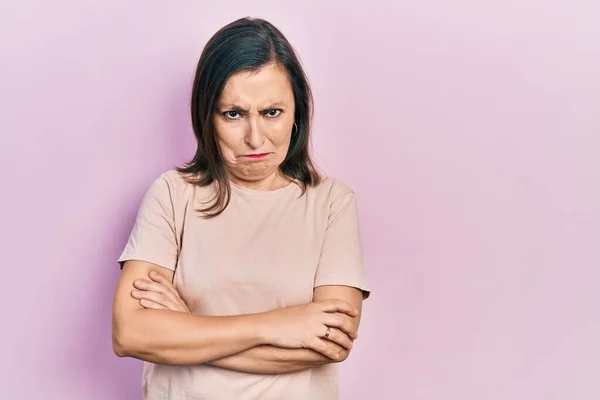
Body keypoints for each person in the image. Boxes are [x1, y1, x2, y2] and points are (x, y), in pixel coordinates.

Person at [111, 16, 370, 400]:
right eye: (233, 114)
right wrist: (277, 325)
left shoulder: (332, 203)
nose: (255, 137)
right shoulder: (172, 194)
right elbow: (130, 334)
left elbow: (330, 343)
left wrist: (185, 327)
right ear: (207, 115)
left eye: (272, 113)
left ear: (297, 112)